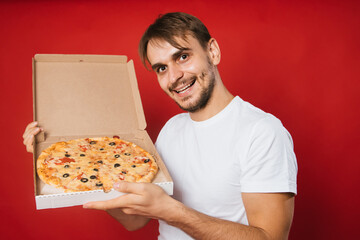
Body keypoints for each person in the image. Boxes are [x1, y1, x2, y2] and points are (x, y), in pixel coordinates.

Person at [23, 12, 297, 240]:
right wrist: (86, 174)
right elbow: (136, 222)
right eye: (161, 68)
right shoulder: (171, 129)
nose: (174, 77)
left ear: (212, 51)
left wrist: (172, 211)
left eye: (182, 57)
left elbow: (269, 238)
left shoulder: (262, 131)